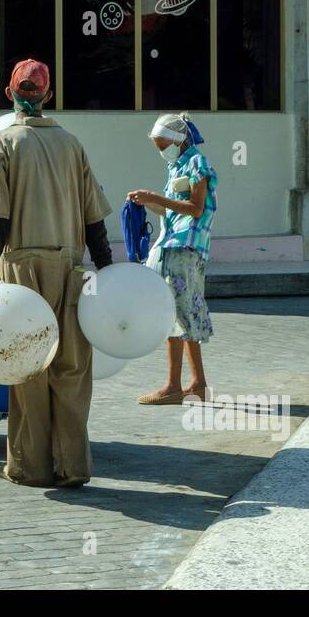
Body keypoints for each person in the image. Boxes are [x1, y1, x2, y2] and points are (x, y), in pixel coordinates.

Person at [0, 59, 113, 488]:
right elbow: (94, 220)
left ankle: (29, 466)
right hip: (70, 266)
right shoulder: (71, 144)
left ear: (9, 93)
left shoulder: (2, 144)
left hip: (23, 270)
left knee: (27, 364)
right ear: (48, 96)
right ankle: (73, 466)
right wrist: (108, 269)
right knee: (70, 367)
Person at [127, 112, 218, 406]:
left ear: (178, 139)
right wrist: (148, 203)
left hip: (185, 249)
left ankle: (173, 386)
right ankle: (197, 384)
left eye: (162, 143)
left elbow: (194, 208)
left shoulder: (197, 163)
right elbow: (173, 213)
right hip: (174, 246)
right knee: (183, 314)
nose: (160, 150)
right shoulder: (178, 165)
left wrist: (157, 197)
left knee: (175, 315)